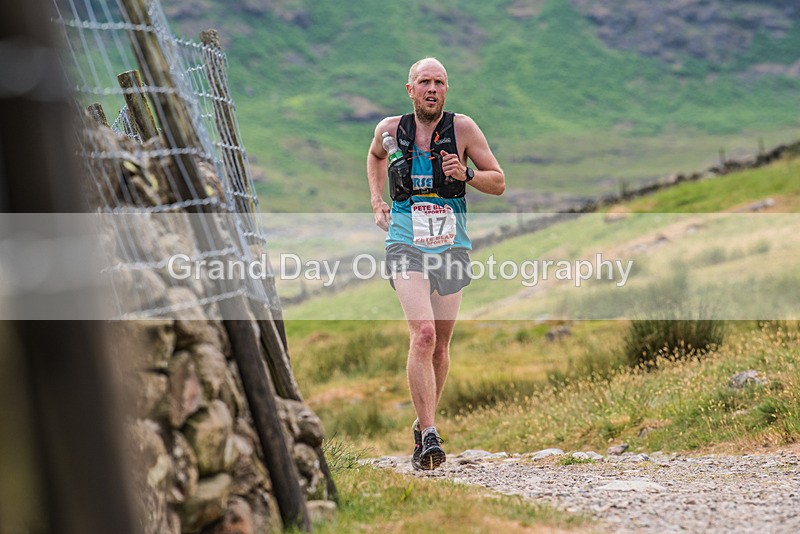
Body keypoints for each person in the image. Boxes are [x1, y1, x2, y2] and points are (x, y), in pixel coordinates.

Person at [366, 57, 505, 470]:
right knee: (423, 334)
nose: (432, 89)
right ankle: (430, 435)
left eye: (439, 82)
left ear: (447, 89)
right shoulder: (389, 130)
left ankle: (421, 423)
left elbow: (497, 181)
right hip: (405, 242)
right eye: (424, 82)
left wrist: (465, 174)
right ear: (410, 89)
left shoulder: (463, 129)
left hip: (451, 244)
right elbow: (374, 157)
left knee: (442, 345)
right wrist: (377, 200)